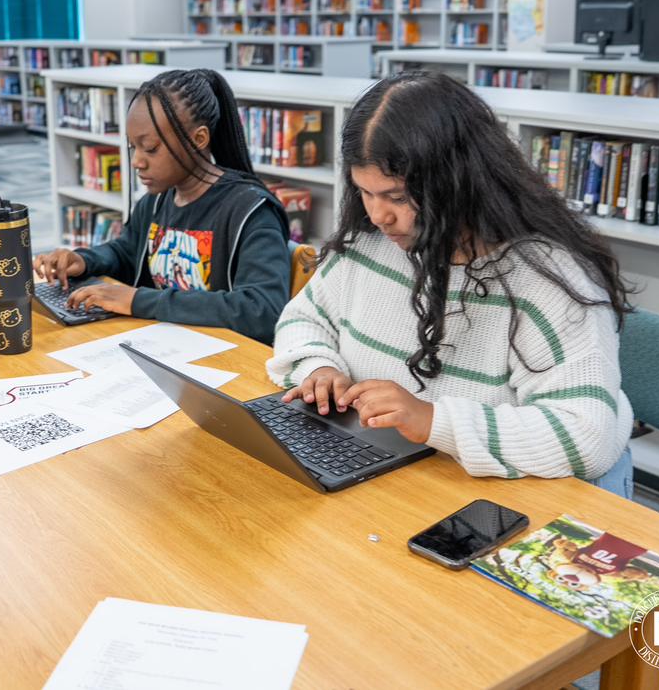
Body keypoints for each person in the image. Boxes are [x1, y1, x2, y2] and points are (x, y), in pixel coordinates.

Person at [267, 71, 636, 497]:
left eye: (398, 196)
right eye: (364, 192)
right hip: (395, 473)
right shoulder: (370, 244)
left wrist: (431, 421)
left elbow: (584, 436)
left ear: (458, 183)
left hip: (512, 493)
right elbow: (304, 318)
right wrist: (319, 368)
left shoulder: (548, 282)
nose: (377, 216)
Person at [34, 68, 291, 345]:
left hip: (226, 358)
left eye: (151, 148)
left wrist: (139, 300)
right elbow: (128, 251)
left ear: (199, 139)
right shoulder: (156, 200)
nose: (136, 162)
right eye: (134, 147)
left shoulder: (251, 211)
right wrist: (84, 260)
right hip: (167, 346)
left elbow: (261, 310)